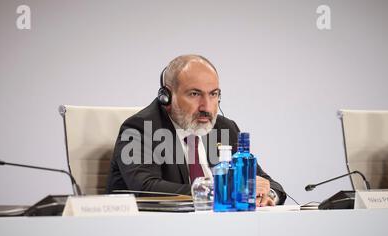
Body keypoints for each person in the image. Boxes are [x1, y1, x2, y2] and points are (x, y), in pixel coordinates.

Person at [107, 55, 286, 206]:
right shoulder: (139, 129)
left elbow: (266, 182)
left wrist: (267, 195)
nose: (206, 106)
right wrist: (223, 190)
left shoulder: (225, 128)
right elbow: (144, 189)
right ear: (166, 96)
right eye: (194, 94)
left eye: (213, 94)